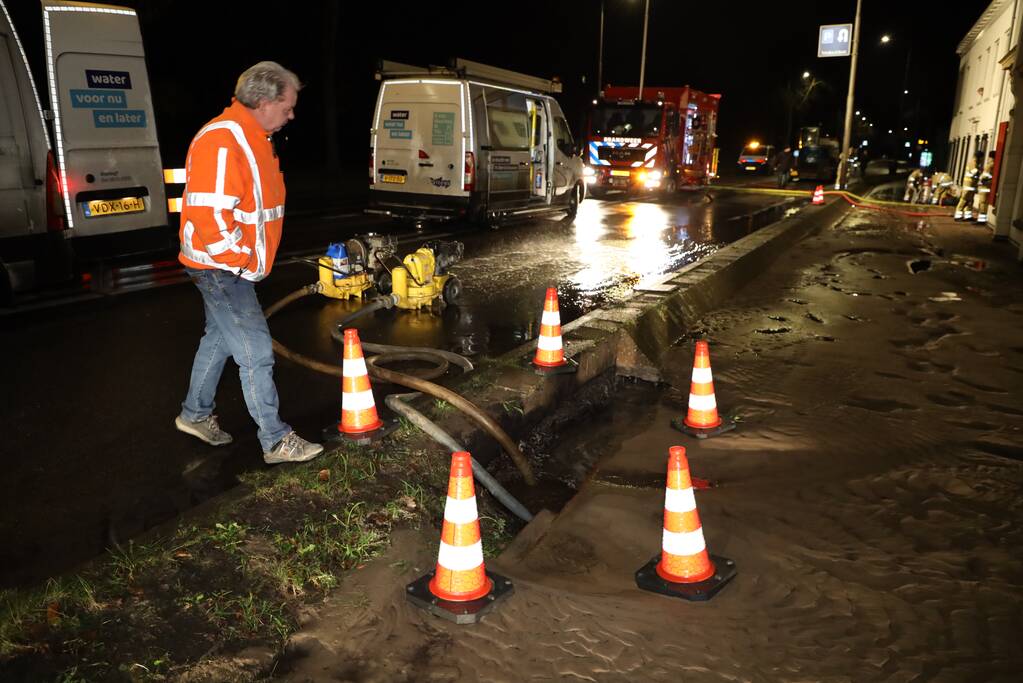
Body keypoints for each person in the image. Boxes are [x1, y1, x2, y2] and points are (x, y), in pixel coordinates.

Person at [175, 61, 324, 465]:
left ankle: (195, 414)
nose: (292, 115)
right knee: (255, 352)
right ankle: (275, 440)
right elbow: (209, 216)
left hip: (230, 266)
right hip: (222, 269)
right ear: (263, 101)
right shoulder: (223, 142)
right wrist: (242, 263)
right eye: (287, 106)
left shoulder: (253, 136)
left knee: (219, 339)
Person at [955, 154, 981, 221]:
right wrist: (980, 171)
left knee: (970, 201)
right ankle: (957, 216)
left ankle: (968, 216)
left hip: (971, 186)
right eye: (981, 158)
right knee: (963, 200)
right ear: (978, 157)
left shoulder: (975, 163)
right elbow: (975, 172)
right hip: (968, 186)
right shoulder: (973, 163)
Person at [974, 150, 996, 223]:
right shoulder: (991, 164)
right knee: (982, 203)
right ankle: (981, 219)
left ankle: (981, 220)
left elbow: (986, 175)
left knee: (983, 203)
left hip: (985, 187)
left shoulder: (990, 164)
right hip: (985, 186)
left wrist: (982, 179)